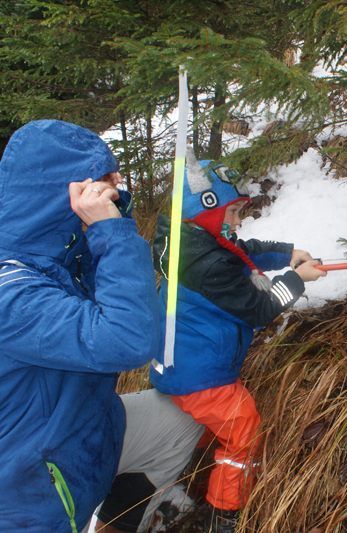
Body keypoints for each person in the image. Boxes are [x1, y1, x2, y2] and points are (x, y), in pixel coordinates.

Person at [0, 119, 203, 533]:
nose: (113, 191)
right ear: (63, 192)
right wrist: (110, 229)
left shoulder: (58, 257)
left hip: (86, 426)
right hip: (32, 488)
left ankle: (114, 523)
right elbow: (126, 340)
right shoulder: (12, 291)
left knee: (181, 420)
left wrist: (104, 229)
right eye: (103, 184)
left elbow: (122, 303)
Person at [149, 156, 326, 531]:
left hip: (182, 364)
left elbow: (240, 249)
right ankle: (222, 514)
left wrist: (285, 252)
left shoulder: (190, 241)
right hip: (199, 375)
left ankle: (184, 482)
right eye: (231, 214)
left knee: (205, 429)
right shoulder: (209, 265)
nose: (236, 222)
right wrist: (296, 279)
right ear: (206, 212)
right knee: (243, 428)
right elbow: (259, 309)